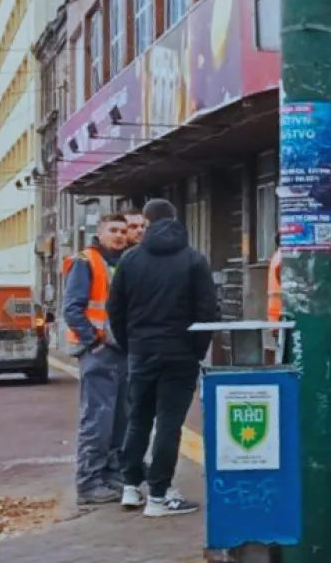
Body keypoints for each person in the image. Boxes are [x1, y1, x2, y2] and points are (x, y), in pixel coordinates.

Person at [109, 199, 218, 517]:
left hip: (142, 352)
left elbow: (116, 310)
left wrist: (131, 344)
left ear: (147, 221)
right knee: (169, 425)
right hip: (180, 353)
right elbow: (206, 311)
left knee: (138, 419)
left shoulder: (130, 260)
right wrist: (196, 350)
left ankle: (130, 487)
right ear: (174, 219)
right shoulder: (193, 260)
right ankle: (158, 496)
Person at [63, 213, 129, 505]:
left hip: (118, 351)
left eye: (123, 231)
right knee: (98, 419)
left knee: (119, 419)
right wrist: (94, 342)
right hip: (99, 353)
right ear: (99, 232)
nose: (119, 235)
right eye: (113, 230)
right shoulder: (86, 261)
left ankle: (111, 476)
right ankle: (89, 483)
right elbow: (72, 309)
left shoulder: (121, 262)